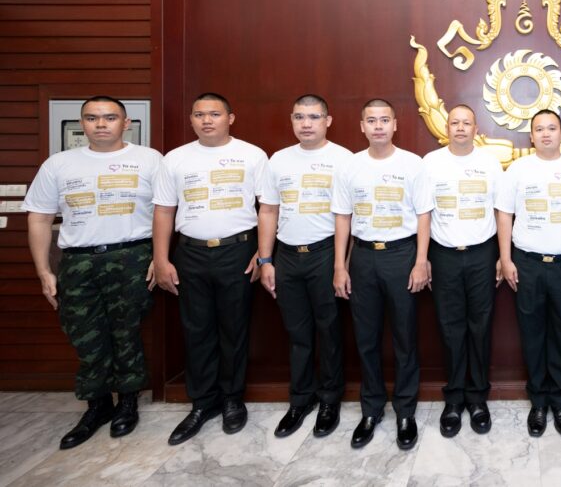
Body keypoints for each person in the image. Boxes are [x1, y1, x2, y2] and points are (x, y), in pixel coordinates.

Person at [24, 96, 162, 450]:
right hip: (78, 261)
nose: (101, 124)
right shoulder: (58, 164)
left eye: (110, 117)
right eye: (92, 118)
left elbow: (166, 212)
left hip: (131, 255)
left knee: (126, 332)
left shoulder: (150, 160)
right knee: (85, 334)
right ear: (82, 123)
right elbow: (39, 218)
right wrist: (44, 270)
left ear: (126, 123)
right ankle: (97, 405)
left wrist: (159, 257)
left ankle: (127, 402)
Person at [151, 92, 268, 445]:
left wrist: (263, 254)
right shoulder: (175, 159)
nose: (206, 120)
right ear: (191, 119)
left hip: (238, 250)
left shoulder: (252, 155)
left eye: (214, 114)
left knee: (235, 329)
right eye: (199, 114)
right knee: (196, 330)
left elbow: (267, 208)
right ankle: (202, 403)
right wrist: (161, 259)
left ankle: (232, 399)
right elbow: (164, 211)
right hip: (191, 253)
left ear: (230, 118)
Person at [332, 98, 433, 450]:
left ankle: (405, 411)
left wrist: (421, 261)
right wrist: (340, 266)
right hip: (362, 257)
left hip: (401, 255)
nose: (378, 126)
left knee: (405, 336)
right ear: (362, 126)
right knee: (366, 337)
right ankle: (371, 409)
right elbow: (342, 217)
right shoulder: (350, 166)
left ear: (395, 125)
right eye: (371, 120)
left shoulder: (413, 164)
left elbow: (423, 215)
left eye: (384, 120)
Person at [497, 109, 561, 437]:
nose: (545, 134)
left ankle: (560, 401)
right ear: (531, 136)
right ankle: (538, 402)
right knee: (532, 335)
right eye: (539, 129)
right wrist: (505, 259)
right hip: (526, 265)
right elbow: (504, 214)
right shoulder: (518, 169)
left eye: (552, 128)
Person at [257, 95, 351, 439]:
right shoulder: (278, 160)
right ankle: (300, 400)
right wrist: (265, 259)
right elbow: (268, 210)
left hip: (325, 252)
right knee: (297, 333)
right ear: (292, 120)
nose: (306, 124)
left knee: (329, 331)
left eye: (313, 117)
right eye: (299, 117)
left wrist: (342, 264)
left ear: (328, 120)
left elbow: (348, 216)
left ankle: (329, 400)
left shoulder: (344, 159)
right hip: (286, 256)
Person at [422, 105, 503, 437]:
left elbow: (500, 211)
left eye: (466, 123)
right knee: (450, 328)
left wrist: (502, 256)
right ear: (446, 128)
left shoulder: (490, 162)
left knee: (480, 327)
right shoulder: (430, 162)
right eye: (454, 122)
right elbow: (423, 213)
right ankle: (454, 399)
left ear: (475, 128)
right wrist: (424, 258)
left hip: (482, 253)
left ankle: (478, 398)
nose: (459, 128)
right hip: (443, 255)